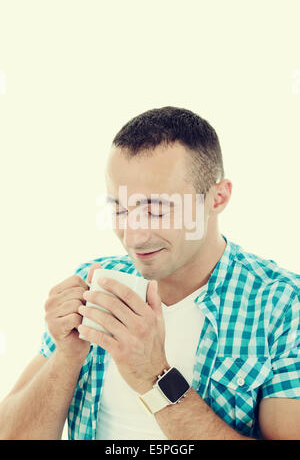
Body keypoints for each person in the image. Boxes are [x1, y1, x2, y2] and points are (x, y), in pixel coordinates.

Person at [0, 106, 299, 440]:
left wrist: (154, 377)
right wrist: (66, 355)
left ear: (218, 198)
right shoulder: (94, 284)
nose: (133, 236)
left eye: (156, 210)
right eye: (120, 210)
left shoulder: (283, 305)